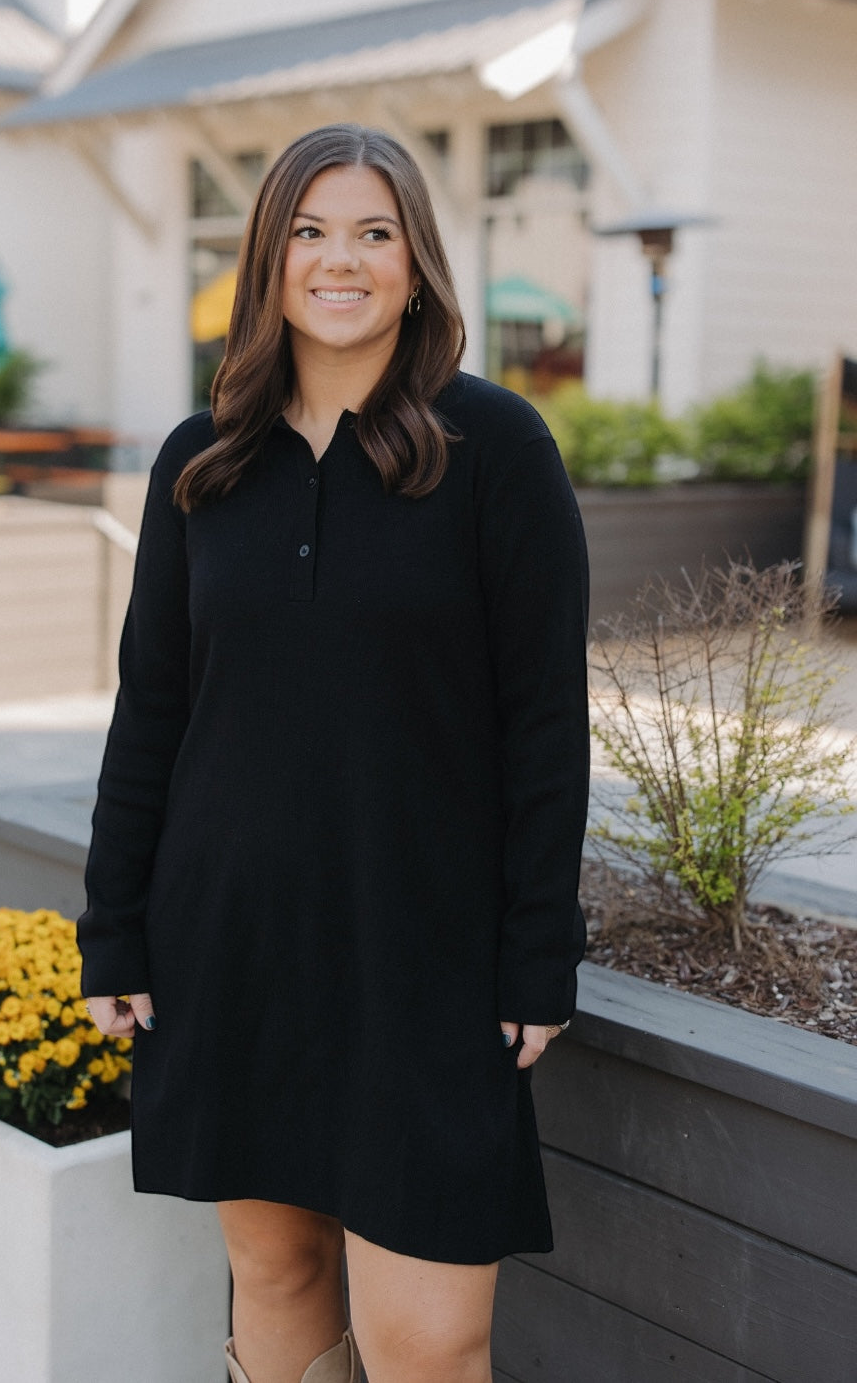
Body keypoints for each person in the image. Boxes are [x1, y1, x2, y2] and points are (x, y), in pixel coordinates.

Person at [79, 123, 589, 1383]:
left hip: (424, 955)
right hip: (232, 939)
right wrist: (114, 926)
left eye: (374, 232)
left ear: (417, 262)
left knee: (428, 1342)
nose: (339, 261)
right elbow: (151, 710)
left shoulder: (498, 450)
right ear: (268, 260)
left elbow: (543, 722)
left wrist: (537, 950)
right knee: (280, 1276)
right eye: (309, 232)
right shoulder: (200, 460)